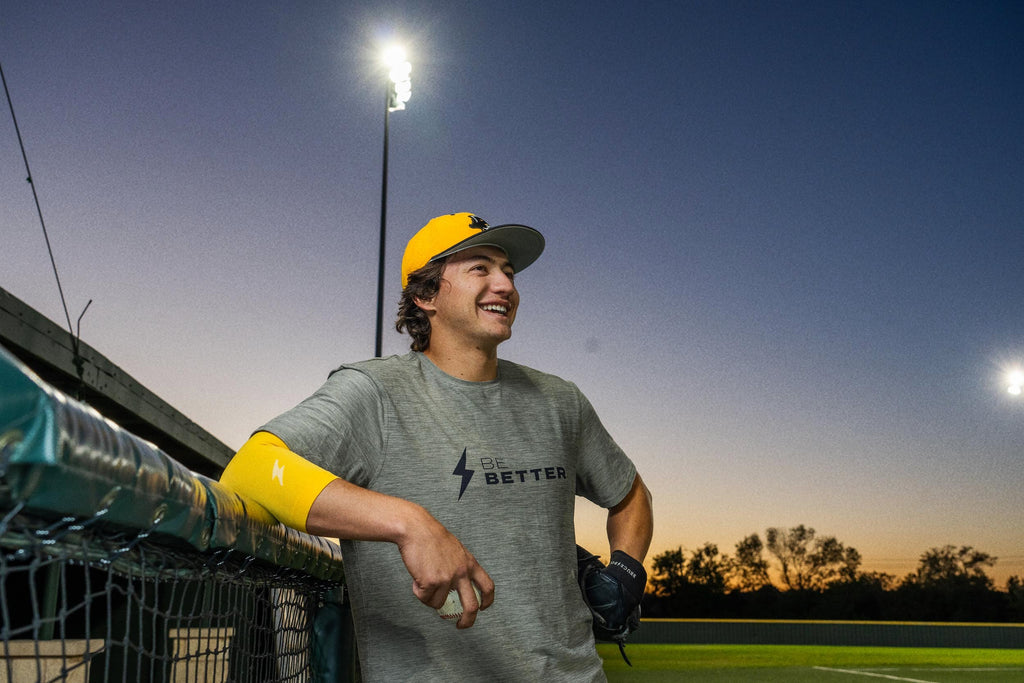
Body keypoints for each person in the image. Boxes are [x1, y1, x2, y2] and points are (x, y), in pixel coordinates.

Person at [220, 212, 654, 681]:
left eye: (508, 271)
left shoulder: (560, 401)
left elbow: (630, 495)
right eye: (480, 268)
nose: (505, 285)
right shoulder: (374, 392)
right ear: (426, 295)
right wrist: (410, 524)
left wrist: (627, 568)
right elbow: (251, 470)